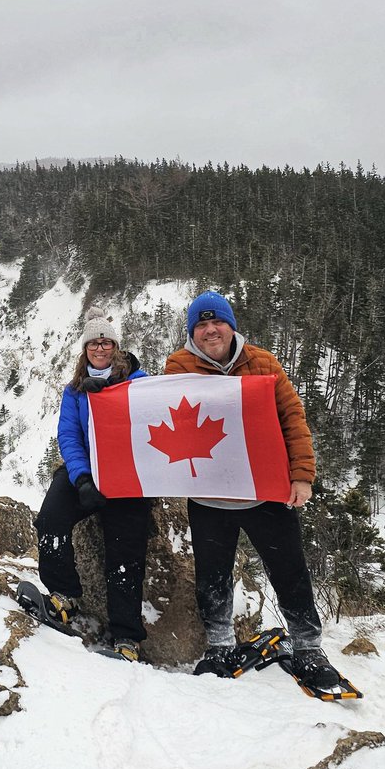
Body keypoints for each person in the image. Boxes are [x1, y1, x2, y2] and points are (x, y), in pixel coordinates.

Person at [165, 290, 340, 689]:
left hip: (265, 489)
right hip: (209, 493)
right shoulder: (178, 367)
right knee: (213, 573)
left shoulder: (262, 362)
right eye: (201, 325)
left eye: (217, 322)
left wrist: (302, 475)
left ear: (231, 325)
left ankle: (309, 645)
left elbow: (292, 417)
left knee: (289, 569)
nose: (211, 330)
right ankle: (220, 643)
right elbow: (167, 418)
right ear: (193, 331)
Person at [34, 305, 151, 661]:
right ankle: (65, 595)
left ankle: (127, 637)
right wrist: (82, 478)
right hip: (87, 470)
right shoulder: (75, 390)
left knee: (126, 547)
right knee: (51, 519)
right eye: (93, 344)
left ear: (116, 347)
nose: (100, 348)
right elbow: (68, 436)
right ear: (85, 350)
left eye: (106, 342)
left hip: (126, 475)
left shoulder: (138, 382)